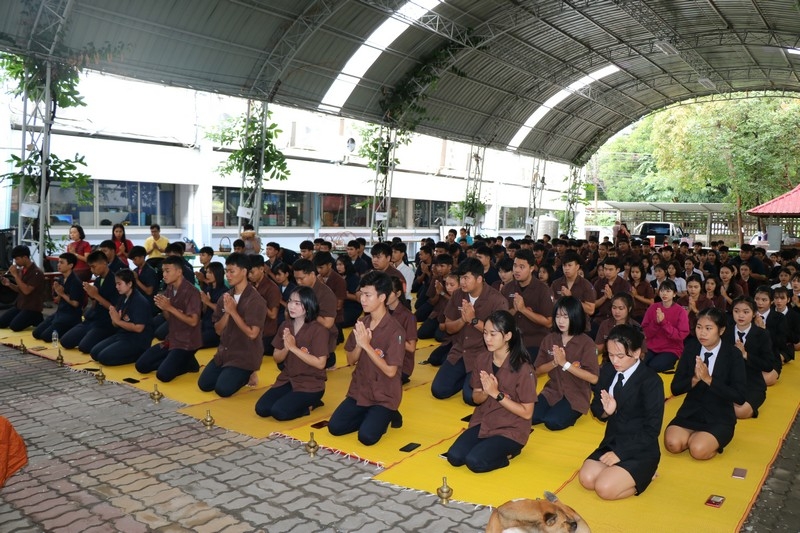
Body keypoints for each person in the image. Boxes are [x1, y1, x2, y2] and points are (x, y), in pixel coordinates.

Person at [579, 324, 664, 500]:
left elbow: (652, 429)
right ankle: (620, 475)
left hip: (640, 448)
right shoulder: (608, 370)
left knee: (604, 489)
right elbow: (596, 407)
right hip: (612, 442)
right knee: (586, 479)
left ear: (636, 352)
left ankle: (647, 474)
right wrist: (607, 412)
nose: (615, 361)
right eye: (610, 355)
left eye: (620, 356)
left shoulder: (651, 381)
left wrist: (621, 454)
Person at [446, 310, 536, 473]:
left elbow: (527, 413)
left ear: (508, 336)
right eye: (485, 333)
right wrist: (486, 393)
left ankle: (510, 452)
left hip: (510, 428)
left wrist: (496, 394)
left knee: (474, 462)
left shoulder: (523, 368)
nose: (487, 338)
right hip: (484, 421)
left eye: (493, 334)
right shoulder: (482, 359)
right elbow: (476, 397)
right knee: (454, 457)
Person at [328, 271, 405, 445]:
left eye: (368, 295)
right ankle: (373, 416)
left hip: (384, 394)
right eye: (361, 294)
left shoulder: (395, 330)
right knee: (335, 427)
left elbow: (390, 371)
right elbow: (350, 360)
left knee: (367, 437)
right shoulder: (362, 323)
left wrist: (367, 346)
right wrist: (359, 345)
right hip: (361, 389)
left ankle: (388, 413)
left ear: (382, 297)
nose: (362, 299)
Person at [664, 308, 747, 460]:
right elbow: (675, 389)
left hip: (719, 415)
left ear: (721, 330)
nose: (702, 333)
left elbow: (739, 397)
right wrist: (695, 379)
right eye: (699, 327)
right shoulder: (691, 348)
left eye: (708, 328)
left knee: (697, 450)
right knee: (672, 444)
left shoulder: (733, 354)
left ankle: (704, 439)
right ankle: (696, 436)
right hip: (690, 412)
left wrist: (709, 379)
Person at [431, 258, 508, 404]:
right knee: (438, 391)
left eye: (466, 278)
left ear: (479, 279)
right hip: (460, 351)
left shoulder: (497, 300)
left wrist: (473, 320)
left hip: (484, 354)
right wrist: (463, 320)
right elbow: (448, 328)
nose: (462, 282)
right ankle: (465, 379)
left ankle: (475, 379)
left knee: (470, 398)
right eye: (461, 278)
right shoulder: (457, 295)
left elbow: (500, 335)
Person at [198, 253, 267, 397]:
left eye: (232, 271)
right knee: (204, 385)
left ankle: (248, 373)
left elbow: (252, 333)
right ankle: (229, 372)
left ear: (244, 271)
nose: (228, 275)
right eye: (226, 271)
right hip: (225, 352)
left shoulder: (255, 300)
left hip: (244, 356)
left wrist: (233, 312)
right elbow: (218, 330)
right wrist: (227, 313)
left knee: (222, 390)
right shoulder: (226, 297)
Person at [255, 286, 328, 420]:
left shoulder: (319, 330)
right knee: (262, 409)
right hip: (288, 379)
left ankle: (311, 404)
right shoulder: (285, 325)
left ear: (308, 305)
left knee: (279, 412)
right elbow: (277, 358)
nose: (291, 306)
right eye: (290, 301)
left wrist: (294, 348)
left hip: (310, 384)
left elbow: (320, 363)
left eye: (297, 303)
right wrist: (287, 348)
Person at [532, 296, 600, 431]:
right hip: (552, 390)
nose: (560, 321)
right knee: (531, 417)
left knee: (552, 422)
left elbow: (594, 378)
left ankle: (571, 413)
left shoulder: (587, 343)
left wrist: (565, 364)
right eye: (557, 316)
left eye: (565, 317)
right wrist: (554, 362)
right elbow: (537, 370)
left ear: (575, 317)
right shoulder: (550, 339)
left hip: (576, 395)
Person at [135, 256, 203, 381]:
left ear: (179, 271)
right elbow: (168, 318)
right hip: (172, 339)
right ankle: (182, 361)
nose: (164, 275)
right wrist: (164, 308)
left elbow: (193, 322)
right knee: (141, 366)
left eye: (167, 271)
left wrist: (169, 307)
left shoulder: (192, 292)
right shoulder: (170, 288)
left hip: (188, 342)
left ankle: (187, 363)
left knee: (163, 375)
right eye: (163, 271)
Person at [90, 269, 154, 366]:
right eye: (116, 284)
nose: (116, 287)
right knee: (94, 353)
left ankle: (139, 354)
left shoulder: (140, 301)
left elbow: (139, 328)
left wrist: (118, 321)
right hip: (122, 334)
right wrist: (115, 319)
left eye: (119, 284)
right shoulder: (123, 297)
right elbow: (115, 323)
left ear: (129, 284)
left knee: (104, 358)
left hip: (137, 339)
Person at [60, 251, 120, 353]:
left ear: (104, 263)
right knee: (65, 341)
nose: (92, 270)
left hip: (106, 322)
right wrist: (92, 296)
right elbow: (94, 304)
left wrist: (96, 295)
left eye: (94, 267)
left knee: (84, 347)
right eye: (90, 267)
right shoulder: (98, 280)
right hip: (92, 318)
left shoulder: (116, 281)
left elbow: (115, 308)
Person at [724, 296, 773, 420]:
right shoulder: (725, 332)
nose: (740, 315)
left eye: (746, 312)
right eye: (736, 311)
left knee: (740, 412)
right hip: (729, 382)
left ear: (754, 313)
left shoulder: (762, 334)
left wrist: (745, 355)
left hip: (752, 384)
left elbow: (768, 365)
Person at [501, 249, 554, 358]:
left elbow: (549, 322)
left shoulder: (543, 290)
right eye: (515, 266)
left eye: (522, 267)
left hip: (535, 342)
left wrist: (524, 310)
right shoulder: (507, 288)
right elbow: (501, 317)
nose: (516, 270)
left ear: (531, 268)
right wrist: (515, 309)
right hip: (512, 341)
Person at [292, 259, 338, 368]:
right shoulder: (299, 290)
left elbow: (328, 324)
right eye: (296, 279)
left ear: (312, 274)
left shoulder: (326, 294)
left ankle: (330, 359)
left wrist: (308, 310)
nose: (298, 282)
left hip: (320, 337)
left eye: (301, 278)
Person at [33, 253, 83, 341]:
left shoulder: (75, 281)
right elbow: (57, 300)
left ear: (70, 265)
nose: (58, 265)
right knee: (36, 333)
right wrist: (57, 293)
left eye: (62, 262)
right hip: (60, 313)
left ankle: (71, 329)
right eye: (58, 262)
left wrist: (62, 293)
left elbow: (75, 303)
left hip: (70, 316)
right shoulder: (61, 279)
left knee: (46, 337)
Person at [641, 280, 689, 372]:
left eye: (668, 291)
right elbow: (645, 331)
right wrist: (656, 323)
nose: (664, 293)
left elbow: (681, 335)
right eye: (662, 291)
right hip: (651, 346)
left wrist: (664, 323)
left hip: (671, 349)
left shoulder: (681, 311)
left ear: (674, 294)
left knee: (654, 366)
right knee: (640, 364)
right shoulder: (652, 308)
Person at [0, 245, 46, 331]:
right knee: (1, 323)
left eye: (17, 259)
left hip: (32, 307)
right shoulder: (22, 270)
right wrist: (9, 284)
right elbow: (20, 289)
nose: (16, 262)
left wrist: (15, 275)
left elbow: (26, 291)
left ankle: (36, 317)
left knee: (14, 326)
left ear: (25, 257)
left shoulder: (36, 272)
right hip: (20, 305)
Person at [386, 276, 418, 384]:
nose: (384, 295)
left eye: (389, 292)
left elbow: (411, 347)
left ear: (398, 294)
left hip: (401, 364)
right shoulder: (381, 311)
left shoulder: (408, 317)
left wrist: (396, 337)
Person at [752, 286, 786, 385]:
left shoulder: (779, 317)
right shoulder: (747, 315)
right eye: (757, 299)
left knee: (766, 379)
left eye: (764, 300)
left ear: (771, 301)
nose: (759, 303)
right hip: (749, 356)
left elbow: (781, 342)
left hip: (771, 357)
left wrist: (764, 331)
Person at [248, 255, 281, 356]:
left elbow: (273, 315)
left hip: (266, 334)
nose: (249, 276)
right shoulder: (250, 285)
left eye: (252, 272)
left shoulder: (272, 288)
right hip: (250, 329)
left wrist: (257, 297)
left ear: (262, 269)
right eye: (248, 273)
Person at [594, 292, 643, 358]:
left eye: (621, 308)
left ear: (629, 308)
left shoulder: (635, 327)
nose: (617, 312)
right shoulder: (605, 324)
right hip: (608, 360)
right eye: (614, 308)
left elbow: (641, 354)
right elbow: (598, 349)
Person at [199, 262, 227, 348]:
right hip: (205, 323)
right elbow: (204, 311)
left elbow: (223, 311)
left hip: (215, 328)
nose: (207, 275)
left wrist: (208, 302)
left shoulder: (225, 292)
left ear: (217, 273)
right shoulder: (208, 289)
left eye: (210, 272)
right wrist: (204, 303)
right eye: (207, 272)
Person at [678, 275, 713, 339]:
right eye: (690, 287)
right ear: (686, 287)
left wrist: (695, 310)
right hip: (684, 333)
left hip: (701, 333)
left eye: (696, 287)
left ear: (700, 287)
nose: (692, 289)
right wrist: (688, 310)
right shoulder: (681, 301)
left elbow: (710, 320)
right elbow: (677, 319)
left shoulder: (708, 302)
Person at [274, 262, 299, 327]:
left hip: (288, 321)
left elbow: (295, 307)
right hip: (277, 320)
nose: (277, 277)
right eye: (276, 275)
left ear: (286, 274)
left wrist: (280, 300)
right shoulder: (277, 288)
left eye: (279, 274)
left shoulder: (294, 289)